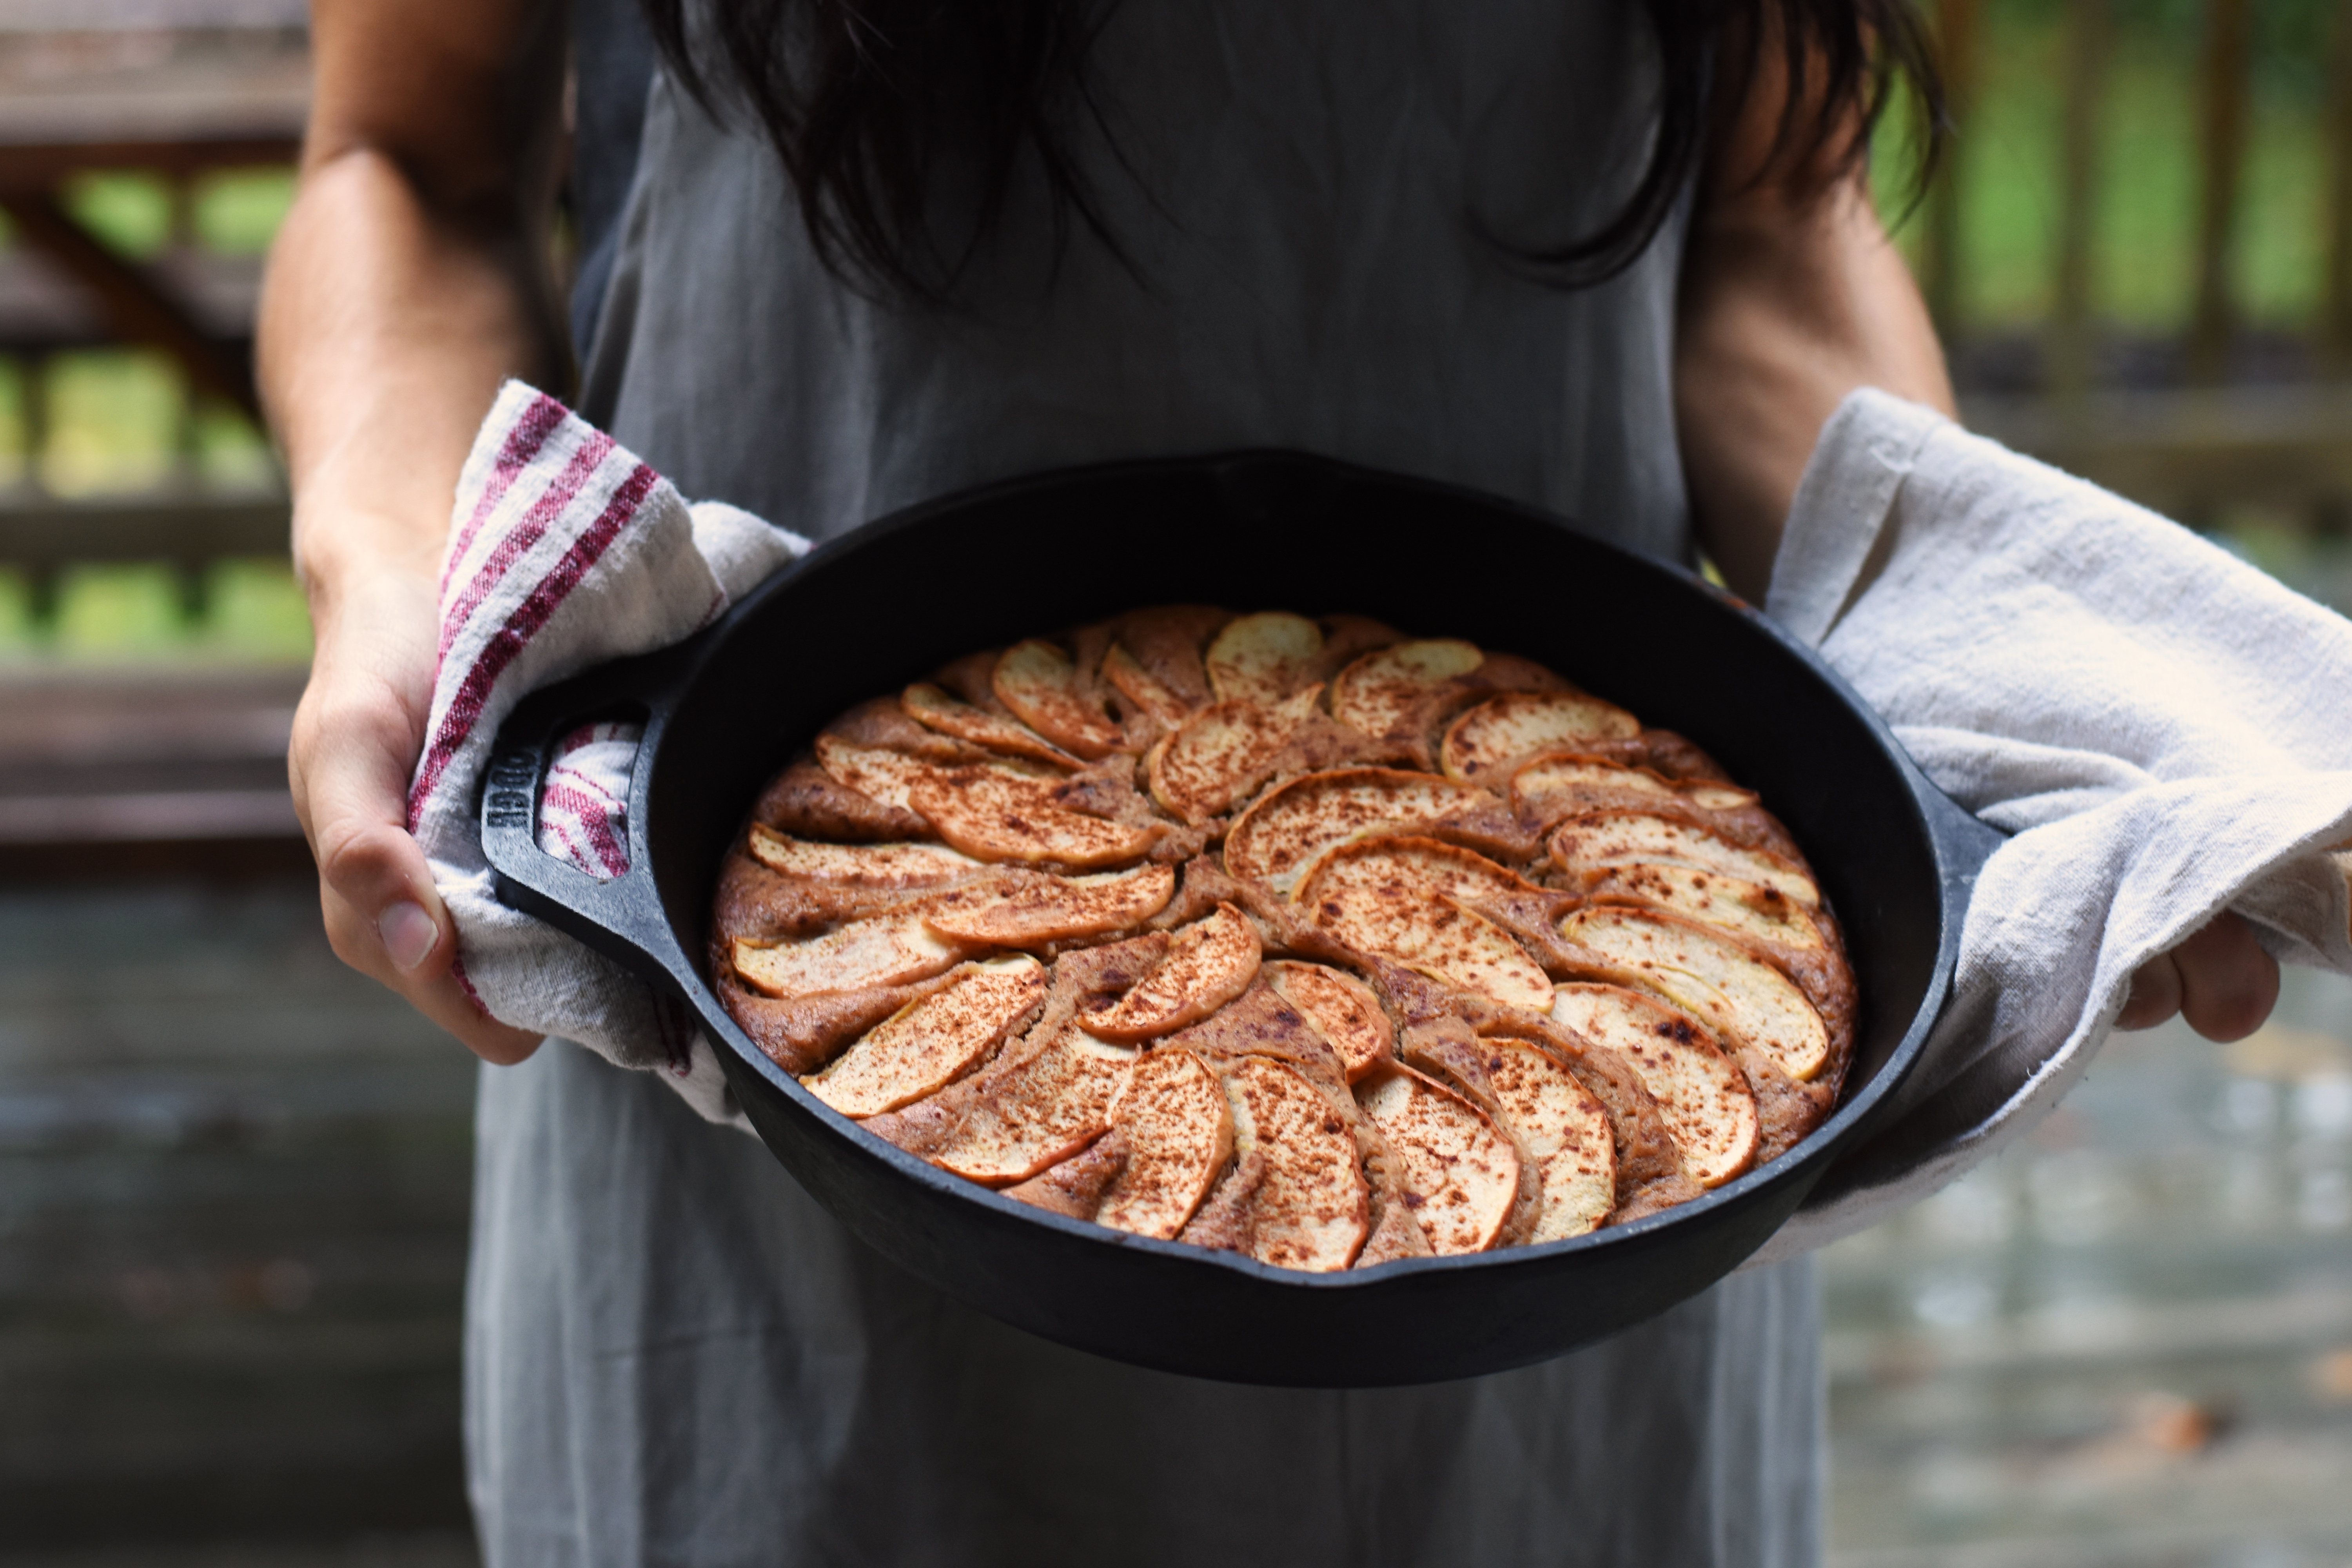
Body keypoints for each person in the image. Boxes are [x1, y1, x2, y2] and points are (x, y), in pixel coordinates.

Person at [260, 2, 2284, 1561]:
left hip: (1584, 1129)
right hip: (790, 1195)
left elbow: (1763, 219)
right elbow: (409, 165)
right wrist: (399, 562)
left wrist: (1997, 663)